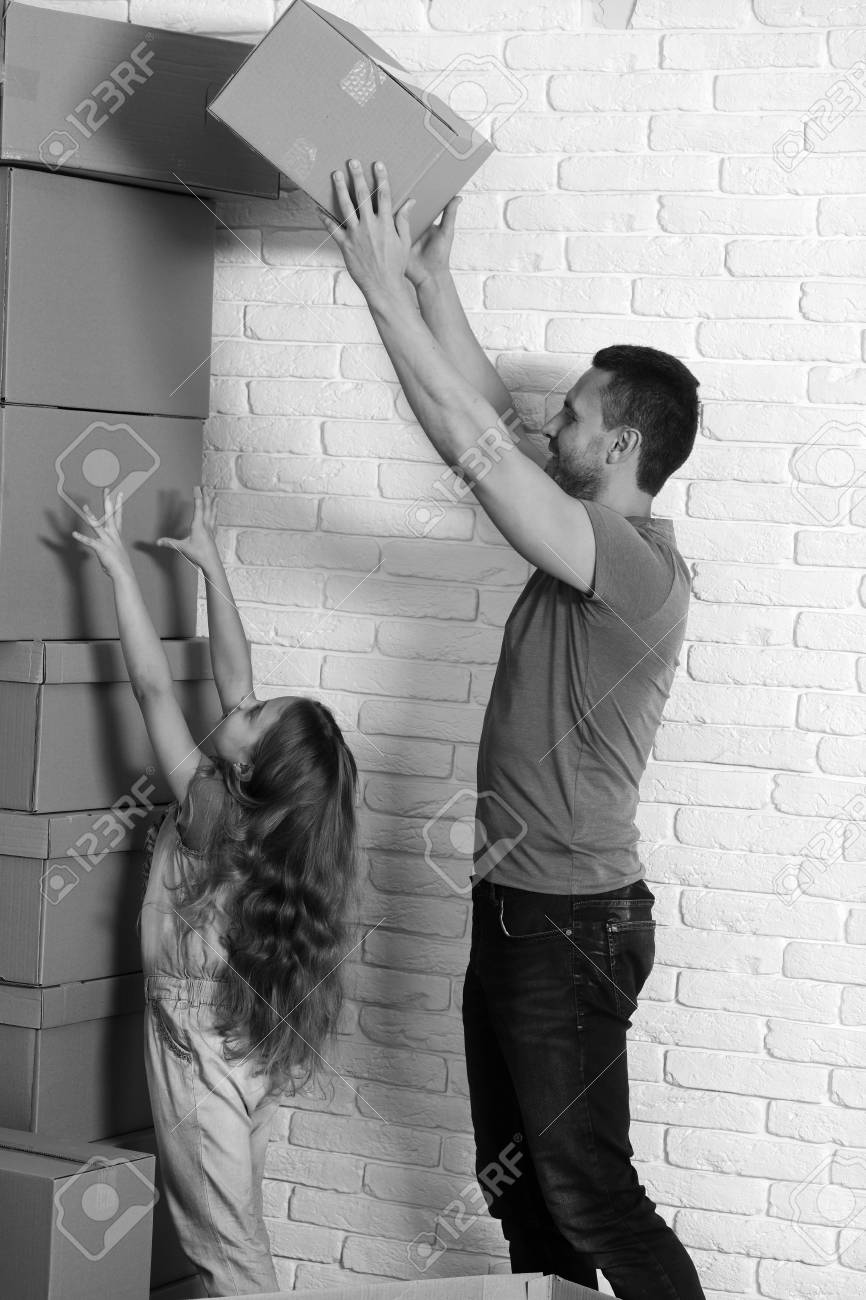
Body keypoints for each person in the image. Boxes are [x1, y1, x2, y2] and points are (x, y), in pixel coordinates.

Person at [318, 162, 705, 1299]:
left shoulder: (627, 569)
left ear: (622, 447)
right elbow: (482, 412)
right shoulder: (585, 523)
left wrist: (371, 279)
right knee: (524, 1192)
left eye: (575, 415)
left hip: (569, 926)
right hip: (516, 909)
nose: (552, 421)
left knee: (591, 1191)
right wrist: (429, 284)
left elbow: (469, 448)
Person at [73, 485, 360, 1297]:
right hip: (241, 1049)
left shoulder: (207, 811)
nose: (241, 702)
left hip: (196, 1056)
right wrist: (210, 564)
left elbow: (157, 690)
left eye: (254, 715)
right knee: (229, 1238)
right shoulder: (281, 829)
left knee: (232, 1263)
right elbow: (234, 680)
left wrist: (119, 573)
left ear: (247, 767)